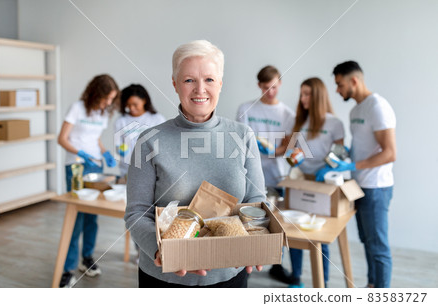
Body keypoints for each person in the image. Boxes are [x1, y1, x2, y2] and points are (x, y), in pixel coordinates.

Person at [124, 40, 265, 287]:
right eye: (189, 80)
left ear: (220, 83)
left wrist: (255, 243)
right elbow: (137, 213)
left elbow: (257, 200)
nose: (200, 90)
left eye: (209, 80)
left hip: (228, 275)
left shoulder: (243, 136)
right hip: (166, 277)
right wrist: (160, 251)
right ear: (175, 84)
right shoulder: (149, 141)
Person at [327, 61, 396, 288]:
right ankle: (372, 287)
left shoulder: (377, 106)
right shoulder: (356, 110)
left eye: (339, 84)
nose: (337, 90)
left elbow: (389, 153)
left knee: (378, 246)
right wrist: (345, 156)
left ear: (353, 81)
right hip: (358, 186)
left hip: (376, 187)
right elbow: (364, 145)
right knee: (367, 241)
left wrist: (352, 165)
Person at [279, 77, 345, 287]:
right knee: (295, 230)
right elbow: (289, 155)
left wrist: (327, 166)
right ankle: (296, 277)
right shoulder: (297, 121)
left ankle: (322, 282)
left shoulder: (335, 124)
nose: (303, 99)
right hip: (300, 182)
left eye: (307, 94)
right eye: (301, 94)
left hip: (323, 184)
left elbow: (340, 155)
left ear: (318, 96)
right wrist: (294, 156)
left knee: (320, 234)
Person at [57, 74, 119, 288]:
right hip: (75, 166)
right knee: (76, 217)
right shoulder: (77, 108)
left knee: (92, 215)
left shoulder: (102, 113)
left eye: (111, 99)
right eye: (106, 98)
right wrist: (80, 153)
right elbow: (62, 138)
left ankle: (87, 258)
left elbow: (96, 138)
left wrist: (104, 152)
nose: (108, 103)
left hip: (95, 166)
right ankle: (67, 270)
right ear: (95, 93)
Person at [236, 65, 295, 283]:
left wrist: (274, 151)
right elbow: (239, 141)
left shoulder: (288, 115)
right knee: (248, 219)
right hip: (249, 175)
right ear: (259, 85)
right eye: (265, 87)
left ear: (279, 84)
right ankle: (244, 262)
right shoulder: (246, 108)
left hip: (276, 176)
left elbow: (289, 148)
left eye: (274, 87)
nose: (270, 92)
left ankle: (276, 263)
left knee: (278, 223)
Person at [115, 84, 165, 178]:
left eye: (135, 104)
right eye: (128, 105)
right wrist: (120, 151)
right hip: (127, 170)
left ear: (144, 100)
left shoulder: (157, 119)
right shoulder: (121, 121)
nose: (131, 108)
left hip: (151, 169)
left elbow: (163, 145)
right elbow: (118, 144)